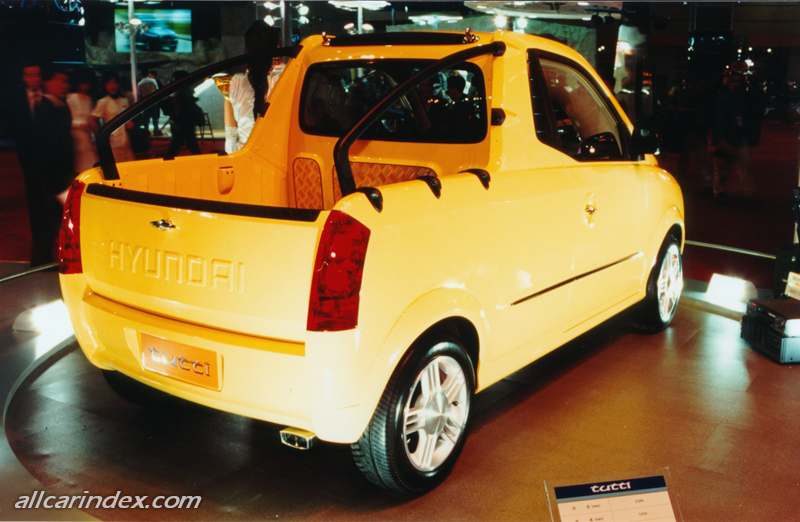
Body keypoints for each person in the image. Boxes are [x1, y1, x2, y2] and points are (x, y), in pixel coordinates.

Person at [29, 66, 75, 265]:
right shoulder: (47, 106)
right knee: (50, 217)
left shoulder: (57, 104)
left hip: (58, 172)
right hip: (54, 173)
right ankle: (41, 258)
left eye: (66, 81)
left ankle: (43, 258)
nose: (64, 85)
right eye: (60, 80)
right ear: (47, 83)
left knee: (53, 217)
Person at [224, 21, 282, 153]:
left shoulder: (234, 84)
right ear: (275, 50)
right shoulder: (283, 81)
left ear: (246, 50)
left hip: (243, 158)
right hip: (275, 156)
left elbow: (231, 136)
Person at [91, 72, 134, 163]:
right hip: (112, 143)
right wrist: (101, 135)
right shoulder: (103, 102)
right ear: (104, 86)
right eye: (108, 84)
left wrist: (129, 123)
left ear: (118, 84)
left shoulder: (124, 101)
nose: (112, 86)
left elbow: (127, 119)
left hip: (125, 141)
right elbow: (93, 119)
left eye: (114, 83)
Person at [66, 68, 99, 174]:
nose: (87, 86)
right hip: (76, 137)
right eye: (84, 83)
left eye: (88, 83)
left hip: (89, 138)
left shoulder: (89, 99)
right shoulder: (71, 98)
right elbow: (67, 120)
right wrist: (81, 124)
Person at [165, 70, 202, 157]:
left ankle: (169, 158)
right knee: (190, 142)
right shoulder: (186, 89)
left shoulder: (176, 88)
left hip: (179, 119)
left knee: (177, 142)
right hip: (187, 119)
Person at [137, 68, 162, 135]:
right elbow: (157, 90)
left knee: (146, 117)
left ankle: (146, 131)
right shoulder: (153, 81)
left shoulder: (140, 83)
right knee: (155, 116)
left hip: (145, 101)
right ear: (148, 74)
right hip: (153, 100)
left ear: (141, 75)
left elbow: (139, 94)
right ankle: (156, 130)